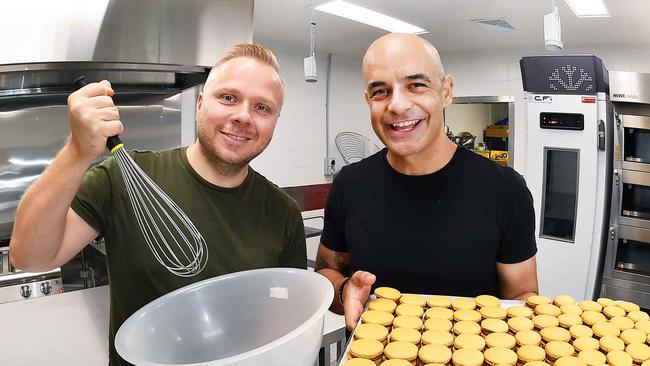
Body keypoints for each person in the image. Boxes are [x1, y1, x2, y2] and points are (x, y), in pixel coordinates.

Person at [10, 44, 307, 366]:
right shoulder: (121, 178)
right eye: (229, 98)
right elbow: (30, 256)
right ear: (201, 103)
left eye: (262, 108)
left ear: (275, 120)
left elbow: (283, 318)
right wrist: (77, 151)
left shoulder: (283, 212)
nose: (242, 116)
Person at [315, 33, 538, 330]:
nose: (397, 105)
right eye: (381, 91)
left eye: (416, 85)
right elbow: (327, 270)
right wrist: (344, 292)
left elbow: (522, 294)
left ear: (446, 91)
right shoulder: (350, 185)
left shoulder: (505, 190)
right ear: (368, 100)